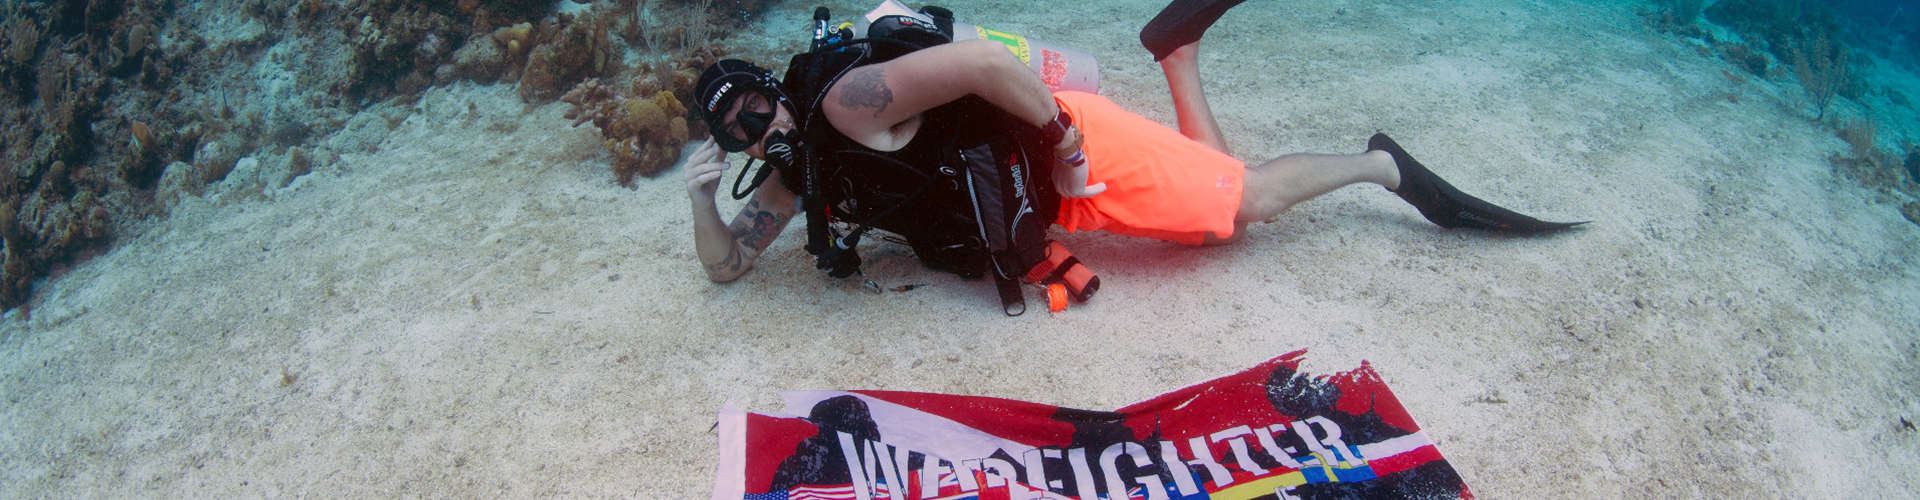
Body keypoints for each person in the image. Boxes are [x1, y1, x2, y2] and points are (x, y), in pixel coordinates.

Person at [681, 0, 1581, 285]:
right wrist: (698, 198)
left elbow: (984, 66)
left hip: (1063, 147)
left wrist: (1067, 142)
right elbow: (728, 267)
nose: (758, 131)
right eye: (736, 132)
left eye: (757, 109)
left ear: (775, 89)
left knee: (1247, 202)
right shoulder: (801, 171)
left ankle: (1385, 165)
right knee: (1211, 227)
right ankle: (1177, 52)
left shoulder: (845, 104)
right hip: (1039, 190)